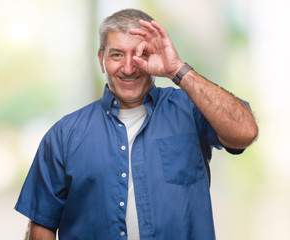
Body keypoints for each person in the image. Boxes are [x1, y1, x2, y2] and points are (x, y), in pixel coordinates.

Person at [15, 8, 258, 240]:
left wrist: (177, 69)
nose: (129, 67)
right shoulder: (63, 136)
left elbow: (245, 132)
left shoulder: (192, 111)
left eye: (140, 54)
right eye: (117, 54)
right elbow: (42, 225)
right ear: (101, 60)